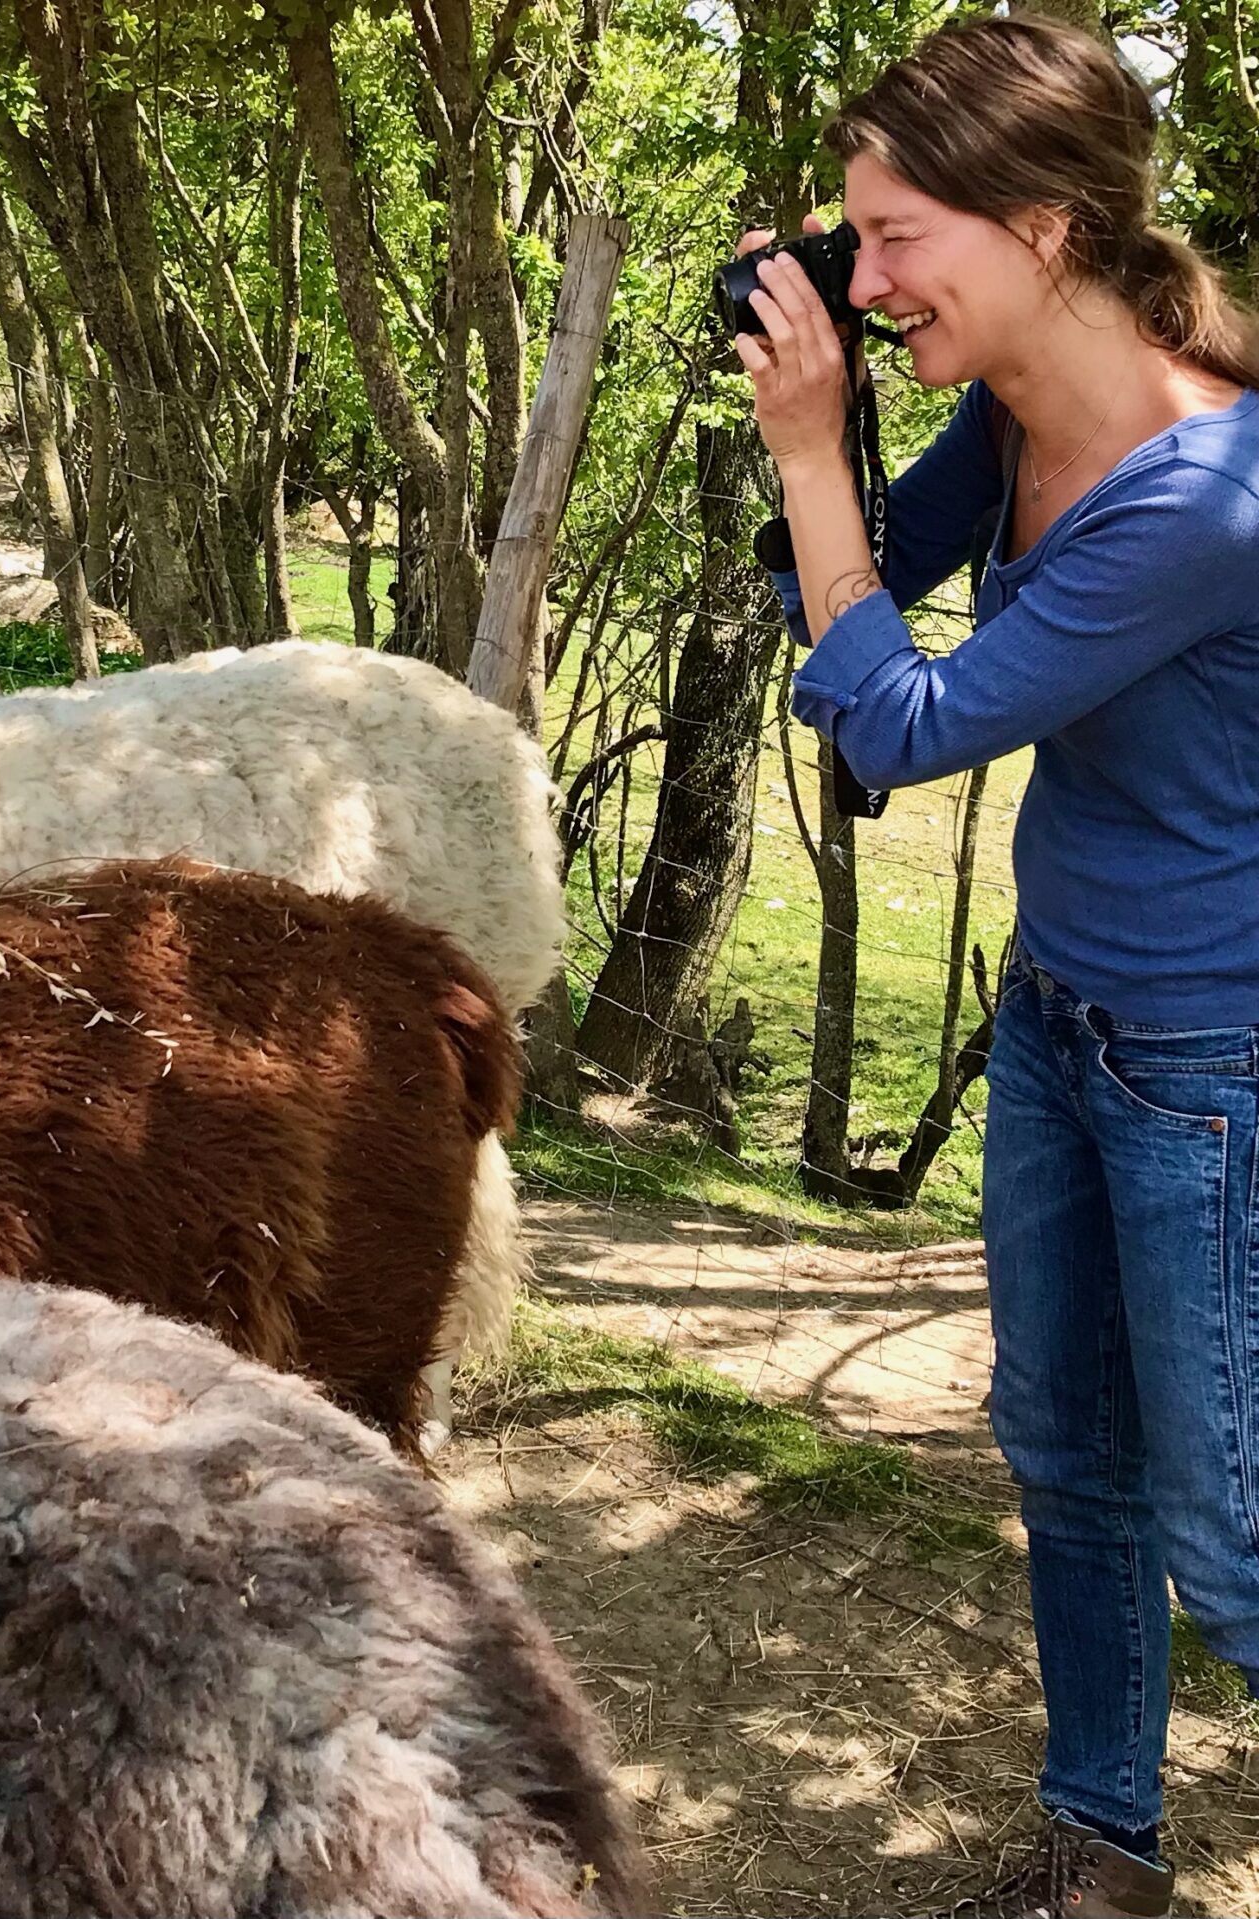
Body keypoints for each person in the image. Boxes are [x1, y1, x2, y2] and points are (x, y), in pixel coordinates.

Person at [737, 17, 1259, 1918]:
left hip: (1217, 1066)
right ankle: (1105, 1854)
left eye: (898, 241)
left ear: (1044, 228)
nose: (867, 286)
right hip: (1061, 1020)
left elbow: (898, 719)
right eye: (852, 239)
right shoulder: (1018, 400)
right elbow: (863, 563)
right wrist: (826, 327)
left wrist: (808, 442)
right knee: (1067, 1457)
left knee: (1236, 1535)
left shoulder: (1203, 500)